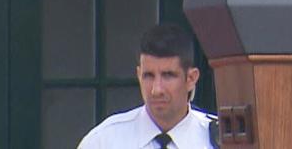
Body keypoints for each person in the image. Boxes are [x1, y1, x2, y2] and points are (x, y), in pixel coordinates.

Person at [77, 22, 215, 149]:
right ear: (138, 75)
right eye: (148, 76)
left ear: (191, 79)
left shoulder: (218, 140)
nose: (156, 90)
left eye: (168, 76)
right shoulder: (104, 141)